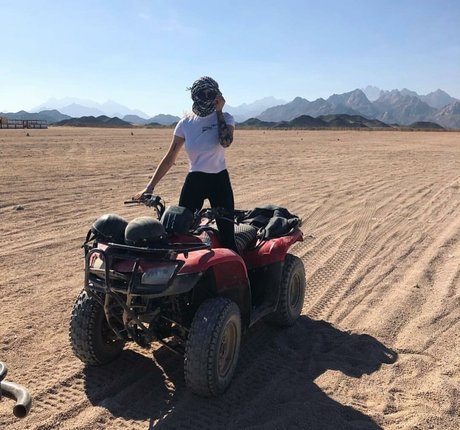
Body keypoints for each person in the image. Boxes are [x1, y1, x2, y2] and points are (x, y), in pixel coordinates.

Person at [133, 76, 238, 252]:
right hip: (195, 182)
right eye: (203, 94)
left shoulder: (226, 118)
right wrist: (149, 187)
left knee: (228, 239)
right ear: (195, 96)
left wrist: (219, 112)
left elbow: (226, 142)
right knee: (179, 235)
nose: (207, 97)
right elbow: (169, 158)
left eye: (211, 93)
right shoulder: (186, 123)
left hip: (219, 181)